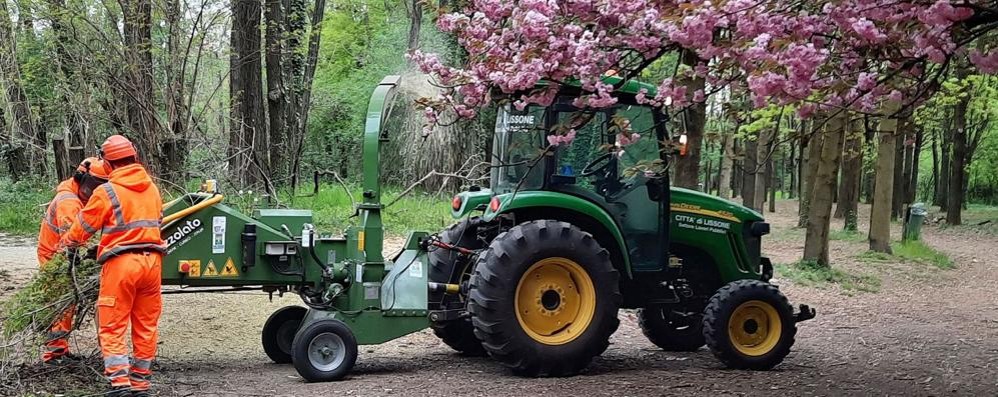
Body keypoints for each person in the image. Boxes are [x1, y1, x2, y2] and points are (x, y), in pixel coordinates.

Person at [62, 135, 164, 397]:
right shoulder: (152, 189)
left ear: (108, 163)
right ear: (134, 157)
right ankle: (141, 382)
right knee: (146, 324)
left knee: (112, 324)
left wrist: (69, 245)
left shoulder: (107, 191)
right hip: (152, 264)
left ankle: (120, 384)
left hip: (122, 265)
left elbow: (83, 227)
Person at [37, 157, 110, 363]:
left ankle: (59, 349)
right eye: (94, 185)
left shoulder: (80, 198)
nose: (96, 191)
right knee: (62, 300)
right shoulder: (69, 201)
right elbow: (71, 240)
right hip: (55, 255)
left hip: (61, 251)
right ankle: (55, 353)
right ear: (82, 179)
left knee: (66, 301)